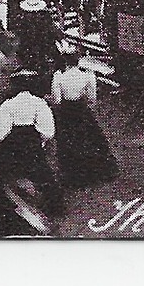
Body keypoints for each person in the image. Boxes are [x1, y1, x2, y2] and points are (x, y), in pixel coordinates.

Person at [50, 50, 117, 190]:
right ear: (78, 60)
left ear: (65, 61)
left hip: (66, 111)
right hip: (81, 109)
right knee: (91, 139)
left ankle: (73, 176)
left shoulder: (58, 76)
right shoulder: (88, 75)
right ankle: (95, 172)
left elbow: (57, 100)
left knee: (67, 142)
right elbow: (92, 98)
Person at [0, 72, 57, 204]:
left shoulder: (7, 105)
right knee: (44, 176)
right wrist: (40, 140)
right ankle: (52, 205)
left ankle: (8, 207)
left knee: (7, 180)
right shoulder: (39, 103)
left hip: (12, 151)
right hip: (33, 150)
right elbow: (49, 132)